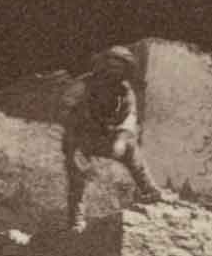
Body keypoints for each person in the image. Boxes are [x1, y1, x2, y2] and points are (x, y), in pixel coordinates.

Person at [62, 53, 150, 230]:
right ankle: (76, 220)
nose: (113, 71)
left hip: (106, 136)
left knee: (131, 149)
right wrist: (78, 128)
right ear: (102, 66)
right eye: (110, 66)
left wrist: (121, 139)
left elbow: (130, 117)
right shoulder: (84, 84)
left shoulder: (125, 91)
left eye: (119, 68)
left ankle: (150, 190)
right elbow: (64, 106)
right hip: (80, 137)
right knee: (77, 173)